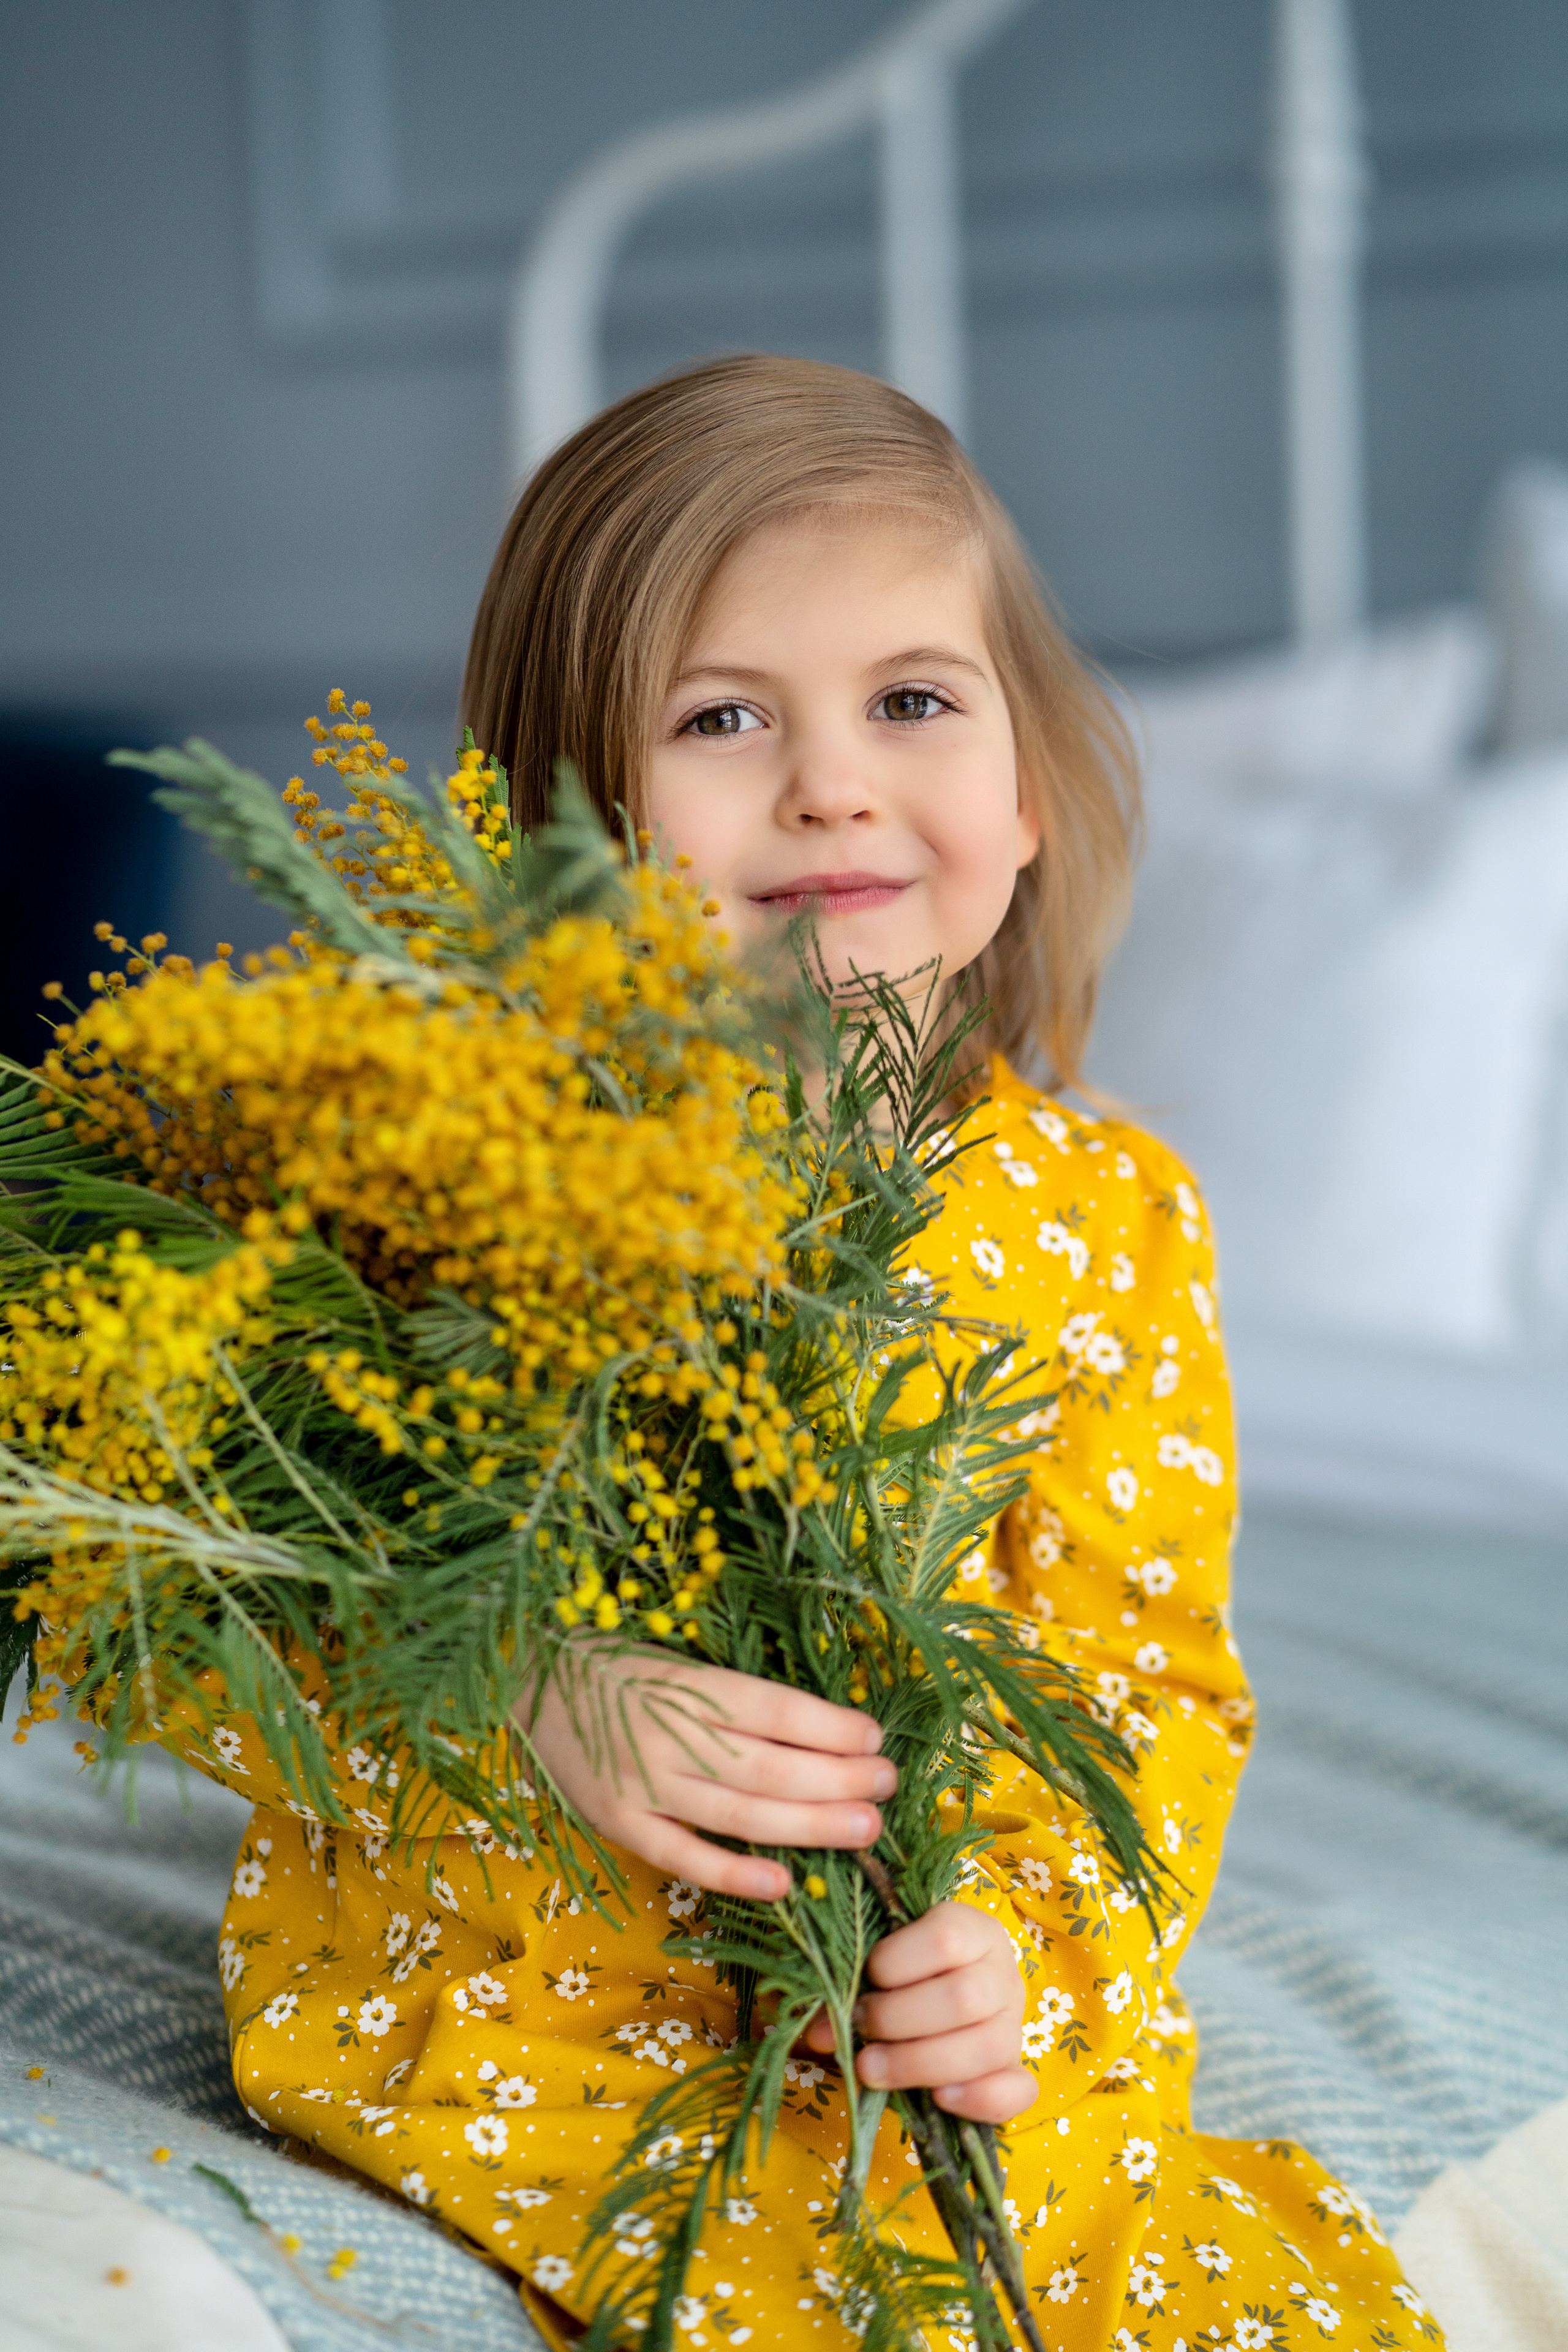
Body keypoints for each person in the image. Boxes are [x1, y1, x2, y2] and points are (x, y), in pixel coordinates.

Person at [188, 358, 1441, 2350]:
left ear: (1023, 791)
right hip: (537, 1998)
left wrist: (1014, 1948)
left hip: (894, 2010)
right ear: (559, 832)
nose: (832, 782)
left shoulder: (1107, 1220)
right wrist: (513, 1679)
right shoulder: (445, 1157)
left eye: (913, 702)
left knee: (1171, 2277)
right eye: (722, 720)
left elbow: (1139, 1683)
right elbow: (200, 1585)